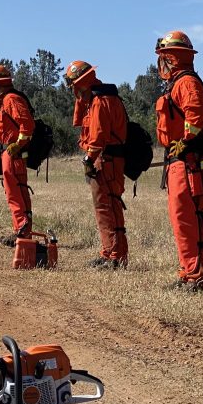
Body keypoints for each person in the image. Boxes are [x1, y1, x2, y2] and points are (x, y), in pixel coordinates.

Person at [154, 31, 203, 291]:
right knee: (184, 219)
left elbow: (196, 119)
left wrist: (185, 141)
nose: (161, 64)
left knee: (186, 217)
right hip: (181, 160)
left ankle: (195, 275)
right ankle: (191, 272)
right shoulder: (178, 83)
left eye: (163, 58)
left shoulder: (186, 83)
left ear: (171, 58)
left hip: (188, 162)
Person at [64, 61, 129, 268]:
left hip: (105, 160)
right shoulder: (102, 98)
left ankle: (114, 255)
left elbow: (98, 137)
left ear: (81, 83)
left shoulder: (100, 101)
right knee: (108, 206)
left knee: (106, 207)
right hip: (107, 159)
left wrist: (89, 159)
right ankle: (111, 252)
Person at [0, 64, 35, 246]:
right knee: (16, 191)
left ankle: (21, 229)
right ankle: (22, 230)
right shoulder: (5, 100)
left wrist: (17, 144)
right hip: (10, 151)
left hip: (13, 152)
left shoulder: (11, 99)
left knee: (15, 192)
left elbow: (27, 125)